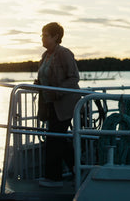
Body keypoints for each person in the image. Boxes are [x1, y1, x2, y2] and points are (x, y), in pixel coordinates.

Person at [34, 22, 80, 188]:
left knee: (54, 139)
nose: (43, 38)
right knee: (59, 139)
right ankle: (78, 170)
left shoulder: (64, 53)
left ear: (55, 37)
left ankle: (55, 178)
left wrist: (58, 90)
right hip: (50, 105)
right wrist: (37, 83)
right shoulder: (45, 55)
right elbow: (45, 77)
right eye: (42, 35)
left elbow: (74, 77)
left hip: (65, 105)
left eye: (45, 35)